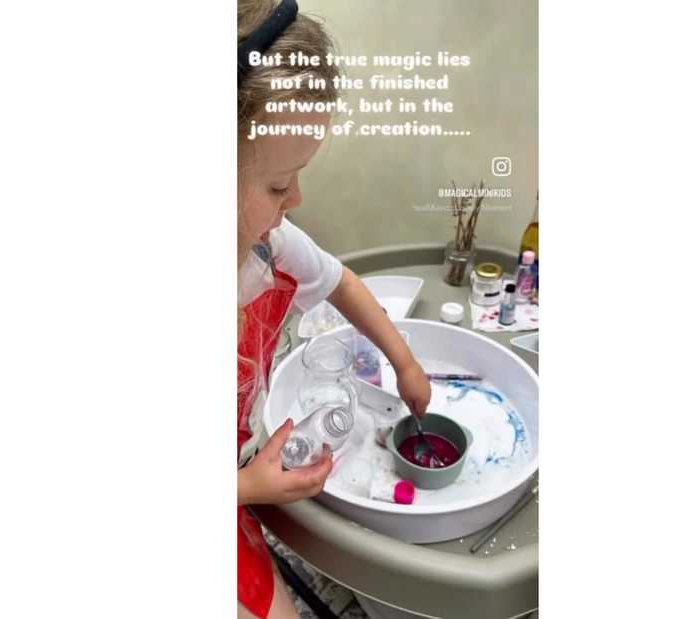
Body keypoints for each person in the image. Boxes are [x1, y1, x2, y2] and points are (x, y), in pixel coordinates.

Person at [235, 1, 431, 617]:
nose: (297, 197)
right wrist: (246, 488)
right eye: (277, 184)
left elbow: (341, 281)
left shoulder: (267, 247)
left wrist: (401, 359)